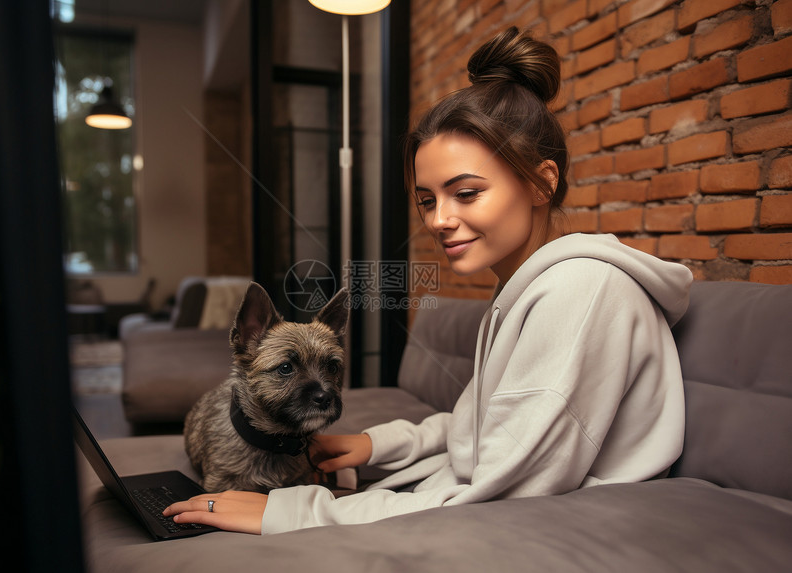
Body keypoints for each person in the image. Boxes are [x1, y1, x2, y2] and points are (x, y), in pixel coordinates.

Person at [163, 26, 692, 535]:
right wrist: (375, 445)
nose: (438, 219)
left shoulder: (580, 294)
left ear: (540, 183)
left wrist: (293, 511)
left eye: (465, 193)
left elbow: (509, 488)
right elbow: (488, 427)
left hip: (556, 527)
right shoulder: (529, 290)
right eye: (426, 199)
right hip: (501, 503)